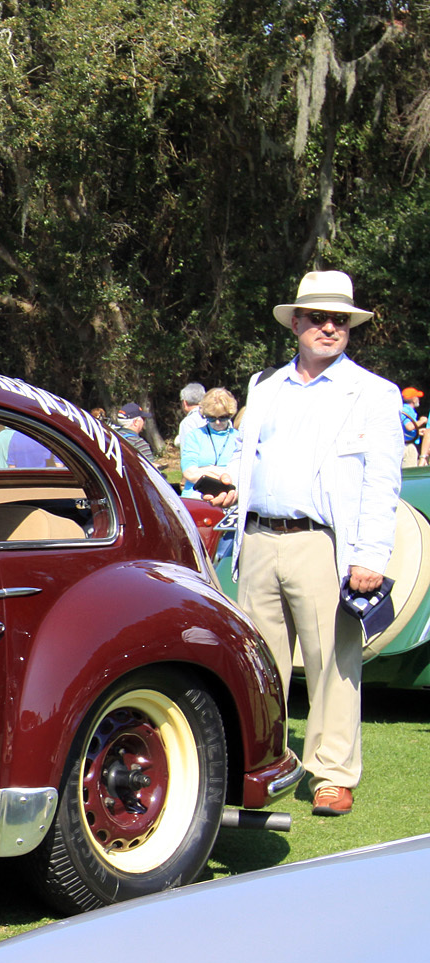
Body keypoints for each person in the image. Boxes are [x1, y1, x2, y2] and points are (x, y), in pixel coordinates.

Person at [206, 270, 403, 817]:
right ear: (296, 322)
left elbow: (381, 483)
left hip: (324, 546)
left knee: (332, 666)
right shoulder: (264, 387)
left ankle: (332, 775)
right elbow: (252, 457)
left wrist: (369, 556)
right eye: (317, 317)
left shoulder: (373, 393)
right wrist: (231, 489)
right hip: (259, 540)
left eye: (339, 319)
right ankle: (264, 766)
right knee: (260, 668)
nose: (328, 327)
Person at [178, 388, 240, 498]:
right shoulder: (195, 436)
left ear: (230, 415)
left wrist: (205, 470)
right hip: (195, 496)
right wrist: (223, 472)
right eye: (211, 418)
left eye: (222, 418)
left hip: (228, 499)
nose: (217, 422)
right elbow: (189, 473)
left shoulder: (238, 438)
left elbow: (241, 476)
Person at [401, 387, 425, 468]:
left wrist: (418, 432)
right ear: (414, 400)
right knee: (409, 472)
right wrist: (422, 420)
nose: (418, 399)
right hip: (408, 446)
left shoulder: (406, 410)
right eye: (417, 397)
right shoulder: (405, 410)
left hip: (404, 444)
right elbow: (409, 427)